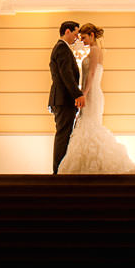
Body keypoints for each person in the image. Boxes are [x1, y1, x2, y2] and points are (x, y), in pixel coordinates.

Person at [57, 23, 135, 174]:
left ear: (91, 35)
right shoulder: (91, 51)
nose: (82, 41)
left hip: (92, 94)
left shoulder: (95, 50)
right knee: (86, 127)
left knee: (91, 127)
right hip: (89, 93)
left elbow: (91, 74)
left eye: (83, 38)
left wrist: (83, 93)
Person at [49, 20, 85, 175]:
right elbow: (66, 75)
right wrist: (78, 94)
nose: (77, 38)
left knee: (63, 133)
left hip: (61, 98)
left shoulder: (62, 48)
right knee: (63, 135)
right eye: (76, 33)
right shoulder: (62, 48)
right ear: (67, 31)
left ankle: (60, 169)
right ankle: (58, 171)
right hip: (63, 99)